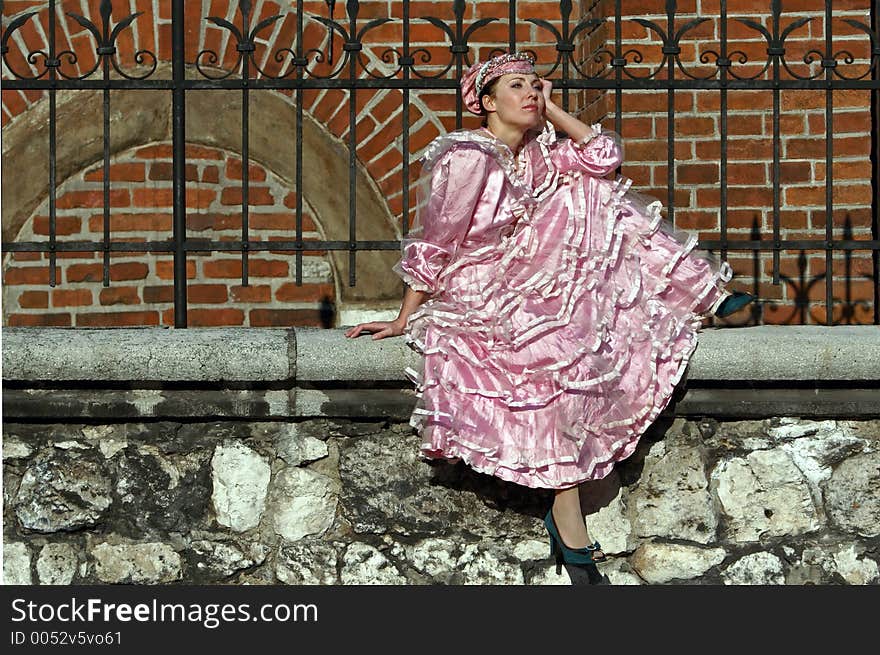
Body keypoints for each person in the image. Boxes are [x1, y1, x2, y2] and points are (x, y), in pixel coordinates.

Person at [344, 52, 752, 576]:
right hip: (480, 285)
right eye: (517, 87)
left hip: (532, 275)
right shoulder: (468, 157)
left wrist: (553, 109)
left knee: (594, 192)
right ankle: (567, 515)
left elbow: (604, 156)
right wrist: (405, 318)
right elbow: (438, 240)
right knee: (553, 355)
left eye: (536, 85)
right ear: (487, 103)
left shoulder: (538, 153)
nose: (531, 93)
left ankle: (704, 292)